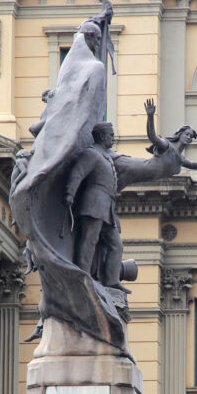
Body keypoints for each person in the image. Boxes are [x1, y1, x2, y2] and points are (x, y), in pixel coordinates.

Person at [65, 121, 127, 293]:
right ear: (101, 136)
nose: (113, 138)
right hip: (93, 203)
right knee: (89, 241)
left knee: (116, 244)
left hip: (107, 206)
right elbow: (78, 172)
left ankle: (112, 280)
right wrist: (69, 193)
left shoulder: (106, 155)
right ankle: (83, 276)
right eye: (111, 135)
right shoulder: (91, 154)